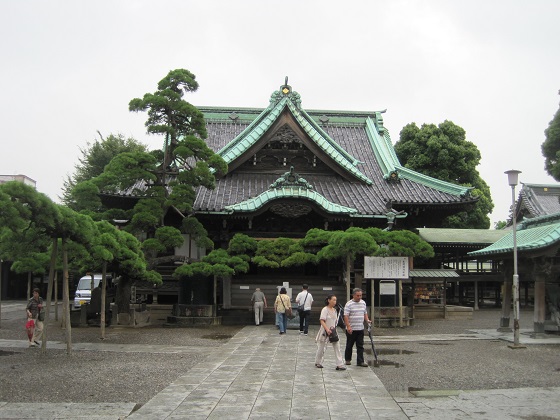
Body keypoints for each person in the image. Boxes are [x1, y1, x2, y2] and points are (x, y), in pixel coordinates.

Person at [314, 294, 346, 370]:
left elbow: (335, 322)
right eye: (333, 300)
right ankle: (318, 362)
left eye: (336, 300)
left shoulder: (335, 310)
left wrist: (332, 329)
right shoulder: (325, 309)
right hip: (325, 331)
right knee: (322, 347)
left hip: (333, 331)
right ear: (329, 300)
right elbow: (322, 320)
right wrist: (327, 329)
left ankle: (340, 364)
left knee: (337, 347)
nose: (335, 302)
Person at [343, 288, 371, 367]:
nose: (359, 297)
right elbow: (346, 316)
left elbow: (364, 313)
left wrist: (367, 320)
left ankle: (360, 361)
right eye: (358, 295)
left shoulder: (363, 303)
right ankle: (348, 359)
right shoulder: (349, 304)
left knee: (360, 345)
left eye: (360, 295)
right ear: (353, 295)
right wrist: (348, 326)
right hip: (351, 328)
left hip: (360, 328)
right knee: (349, 345)